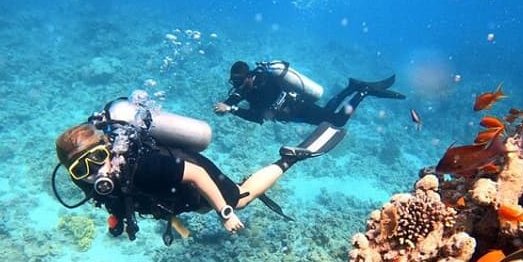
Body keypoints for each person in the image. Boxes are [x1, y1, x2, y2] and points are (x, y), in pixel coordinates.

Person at [53, 93, 346, 245]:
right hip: (174, 192)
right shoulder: (93, 184)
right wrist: (117, 218)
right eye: (81, 169)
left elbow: (195, 174)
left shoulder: (141, 165)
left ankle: (289, 157)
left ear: (109, 149)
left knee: (239, 199)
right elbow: (120, 198)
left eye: (98, 157)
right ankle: (223, 196)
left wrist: (225, 213)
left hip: (191, 170)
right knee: (206, 206)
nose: (95, 172)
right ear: (71, 174)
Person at [214, 60, 405, 127]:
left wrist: (231, 109)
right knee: (327, 114)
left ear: (248, 76)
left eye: (239, 81)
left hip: (298, 109)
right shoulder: (248, 86)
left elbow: (257, 117)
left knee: (337, 121)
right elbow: (234, 98)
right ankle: (351, 87)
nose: (238, 86)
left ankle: (362, 92)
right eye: (234, 82)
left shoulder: (262, 85)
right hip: (295, 110)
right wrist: (226, 104)